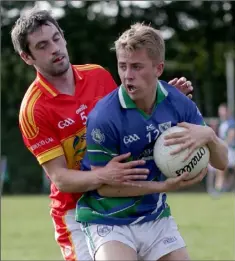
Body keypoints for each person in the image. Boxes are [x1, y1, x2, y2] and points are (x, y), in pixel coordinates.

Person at [11, 9, 196, 261]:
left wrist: (161, 100)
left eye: (56, 38)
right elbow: (61, 178)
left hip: (123, 197)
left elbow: (132, 122)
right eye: (42, 46)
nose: (54, 48)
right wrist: (104, 175)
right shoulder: (34, 110)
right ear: (26, 57)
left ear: (64, 37)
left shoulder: (97, 74)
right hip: (75, 211)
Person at [76, 23, 228, 261]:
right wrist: (162, 187)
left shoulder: (178, 103)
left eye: (137, 67)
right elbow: (103, 186)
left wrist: (208, 135)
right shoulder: (104, 116)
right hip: (108, 219)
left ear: (159, 68)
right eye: (123, 66)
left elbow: (222, 162)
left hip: (155, 217)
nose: (128, 75)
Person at [214, 104, 235, 193]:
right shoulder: (222, 123)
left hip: (231, 150)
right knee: (221, 169)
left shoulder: (231, 122)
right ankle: (218, 188)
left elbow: (231, 135)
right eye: (220, 111)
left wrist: (222, 145)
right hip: (224, 149)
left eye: (222, 111)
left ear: (227, 112)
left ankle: (227, 187)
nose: (221, 113)